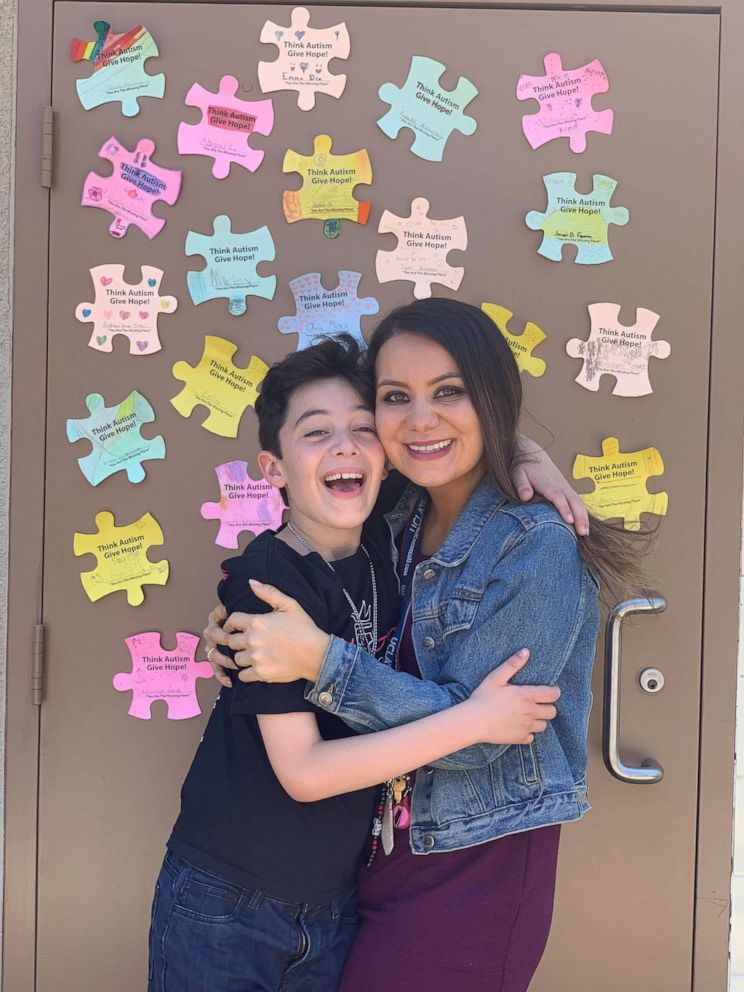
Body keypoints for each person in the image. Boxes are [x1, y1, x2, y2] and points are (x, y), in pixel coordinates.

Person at [207, 299, 646, 992]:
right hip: (371, 858)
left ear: (492, 396)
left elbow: (480, 735)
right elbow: (307, 559)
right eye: (394, 398)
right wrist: (238, 626)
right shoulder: (395, 511)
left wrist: (321, 662)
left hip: (475, 869)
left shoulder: (536, 547)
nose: (419, 420)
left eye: (450, 393)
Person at [148, 337, 562, 992]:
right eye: (316, 434)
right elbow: (306, 773)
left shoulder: (381, 530)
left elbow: (452, 446)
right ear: (274, 467)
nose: (344, 447)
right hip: (228, 900)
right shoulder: (265, 583)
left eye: (363, 430)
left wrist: (528, 456)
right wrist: (476, 719)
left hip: (335, 903)